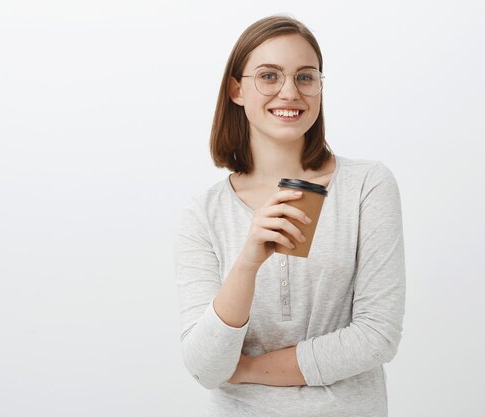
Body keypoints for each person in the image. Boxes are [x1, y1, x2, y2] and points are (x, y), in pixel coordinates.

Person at [173, 14, 406, 417]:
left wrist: (245, 369)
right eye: (268, 76)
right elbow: (205, 366)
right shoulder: (204, 213)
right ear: (236, 90)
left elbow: (375, 338)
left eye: (305, 77)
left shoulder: (367, 185)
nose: (289, 92)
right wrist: (247, 262)